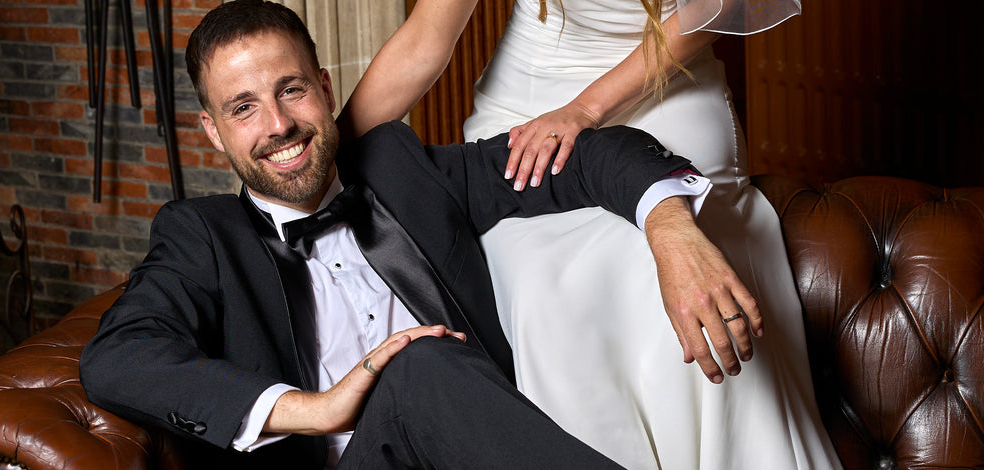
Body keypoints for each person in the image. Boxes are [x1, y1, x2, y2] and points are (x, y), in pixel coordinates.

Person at [78, 0, 754, 468]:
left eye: (292, 90)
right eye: (244, 108)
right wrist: (312, 409)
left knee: (430, 367)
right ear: (213, 131)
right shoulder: (203, 237)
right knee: (418, 366)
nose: (278, 125)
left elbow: (582, 156)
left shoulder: (404, 174)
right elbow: (118, 357)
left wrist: (670, 227)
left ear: (323, 84)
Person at [443, 0, 839, 468]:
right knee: (540, 291)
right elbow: (427, 36)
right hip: (529, 97)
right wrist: (336, 165)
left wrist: (586, 109)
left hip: (668, 78)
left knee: (667, 284)